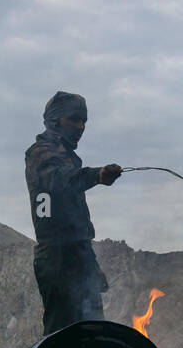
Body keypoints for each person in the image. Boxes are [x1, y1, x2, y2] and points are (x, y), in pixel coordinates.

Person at [25, 91, 122, 335]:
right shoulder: (39, 154)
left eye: (84, 122)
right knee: (61, 337)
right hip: (57, 258)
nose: (81, 127)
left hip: (78, 255)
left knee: (93, 331)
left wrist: (90, 262)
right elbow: (60, 181)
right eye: (75, 119)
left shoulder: (69, 159)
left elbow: (76, 221)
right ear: (56, 120)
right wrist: (97, 175)